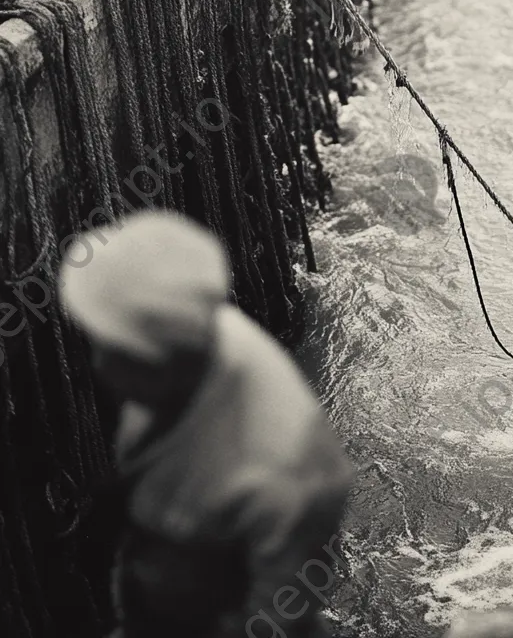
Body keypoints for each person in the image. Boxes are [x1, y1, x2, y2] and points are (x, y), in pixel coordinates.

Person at [58, 210, 354, 638]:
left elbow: (272, 619)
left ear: (166, 362)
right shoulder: (192, 320)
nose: (100, 364)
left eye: (117, 353)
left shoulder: (286, 477)